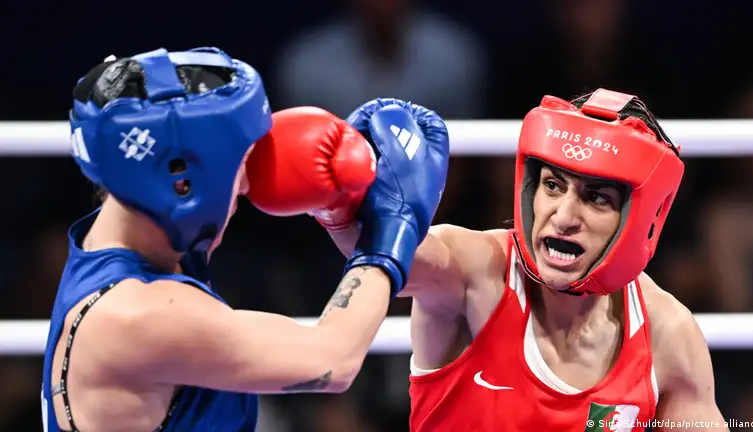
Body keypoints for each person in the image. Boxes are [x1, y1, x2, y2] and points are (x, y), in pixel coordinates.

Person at [41, 47, 450, 432]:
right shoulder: (138, 317)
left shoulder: (114, 240)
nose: (247, 185)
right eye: (240, 165)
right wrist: (391, 232)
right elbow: (332, 360)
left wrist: (340, 212)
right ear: (181, 184)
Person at [312, 89, 729, 431]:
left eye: (596, 198)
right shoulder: (477, 271)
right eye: (553, 186)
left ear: (639, 219)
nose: (563, 217)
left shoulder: (667, 333)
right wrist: (336, 198)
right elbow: (392, 250)